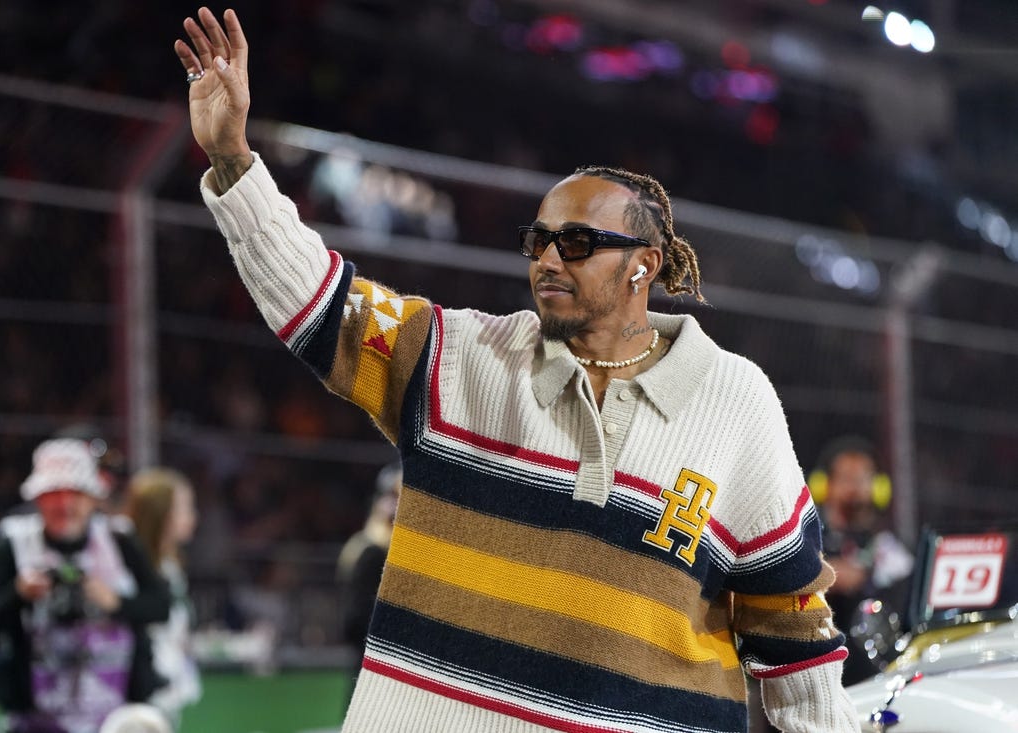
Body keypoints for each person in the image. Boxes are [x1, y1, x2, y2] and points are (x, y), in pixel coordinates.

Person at [174, 8, 859, 731]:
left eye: (574, 242)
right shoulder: (461, 358)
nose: (547, 259)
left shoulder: (735, 401)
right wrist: (233, 160)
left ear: (643, 266)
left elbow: (789, 630)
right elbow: (322, 300)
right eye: (537, 241)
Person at [0, 438, 170, 733]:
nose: (65, 505)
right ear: (37, 497)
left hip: (112, 718)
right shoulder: (14, 542)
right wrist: (17, 595)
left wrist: (116, 603)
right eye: (54, 493)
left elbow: (162, 605)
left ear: (94, 497)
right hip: (35, 719)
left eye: (76, 493)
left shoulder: (118, 539)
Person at [810, 435, 913, 685]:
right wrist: (825, 575)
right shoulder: (808, 542)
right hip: (818, 676)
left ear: (878, 488)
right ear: (824, 485)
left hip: (873, 680)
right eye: (845, 478)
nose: (854, 487)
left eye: (862, 478)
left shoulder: (888, 547)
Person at [123, 466, 203, 729]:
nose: (192, 517)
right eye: (184, 508)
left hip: (169, 692)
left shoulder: (172, 565)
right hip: (140, 695)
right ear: (161, 514)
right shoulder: (131, 569)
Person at [336, 462, 401, 703]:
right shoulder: (369, 551)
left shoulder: (375, 548)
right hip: (373, 661)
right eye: (394, 497)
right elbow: (354, 619)